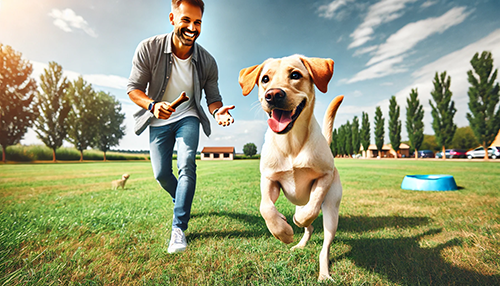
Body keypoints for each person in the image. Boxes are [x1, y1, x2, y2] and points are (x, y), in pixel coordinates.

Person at [127, 0, 234, 253]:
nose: (192, 27)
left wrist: (218, 112)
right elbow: (133, 89)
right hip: (158, 118)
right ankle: (180, 200)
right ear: (173, 18)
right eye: (186, 20)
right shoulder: (148, 48)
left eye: (197, 22)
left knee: (187, 163)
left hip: (189, 117)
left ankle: (178, 228)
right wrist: (153, 106)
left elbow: (213, 98)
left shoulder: (207, 61)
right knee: (161, 174)